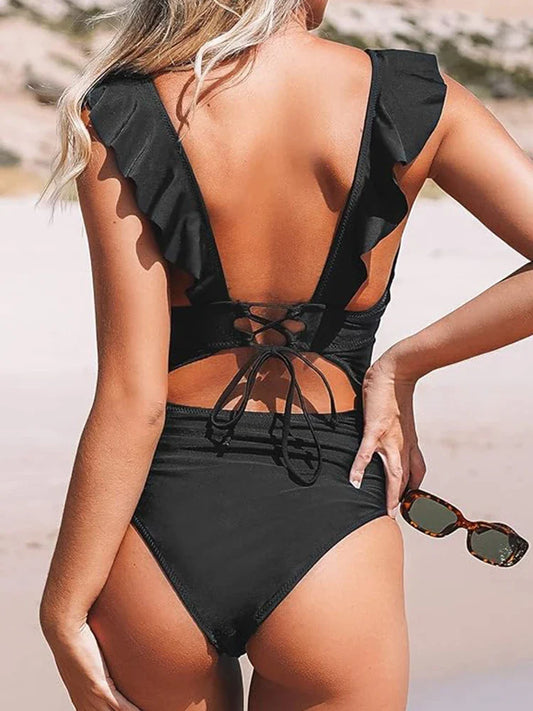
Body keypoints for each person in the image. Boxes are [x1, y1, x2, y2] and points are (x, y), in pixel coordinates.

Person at [38, 1, 533, 709]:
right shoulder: (414, 97)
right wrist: (404, 364)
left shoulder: (123, 110)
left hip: (157, 528)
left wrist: (61, 606)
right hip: (333, 520)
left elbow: (131, 398)